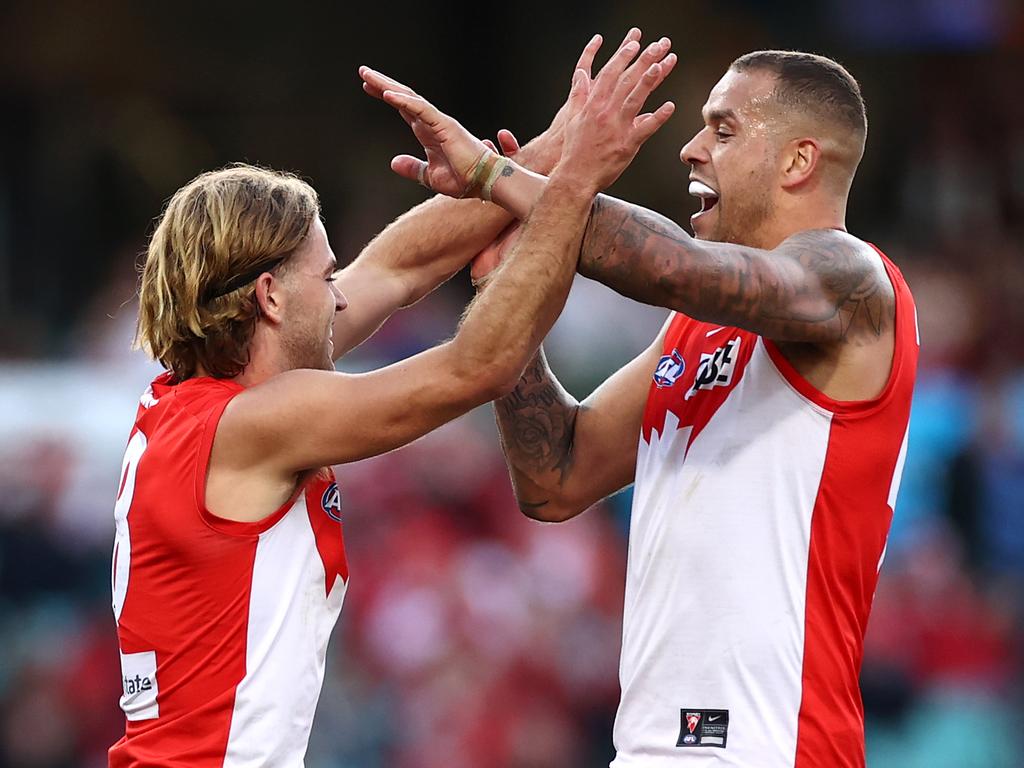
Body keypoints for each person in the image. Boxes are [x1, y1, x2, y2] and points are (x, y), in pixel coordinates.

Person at [108, 33, 676, 767]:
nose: (340, 289)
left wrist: (535, 155)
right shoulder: (254, 423)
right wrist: (575, 187)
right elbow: (478, 367)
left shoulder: (202, 405)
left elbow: (401, 265)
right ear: (270, 297)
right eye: (325, 275)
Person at [365, 48, 918, 767]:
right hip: (651, 747)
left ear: (798, 162)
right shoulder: (693, 329)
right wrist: (506, 289)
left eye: (722, 130)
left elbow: (675, 267)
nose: (691, 150)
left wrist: (497, 177)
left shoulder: (857, 281)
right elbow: (555, 478)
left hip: (774, 745)